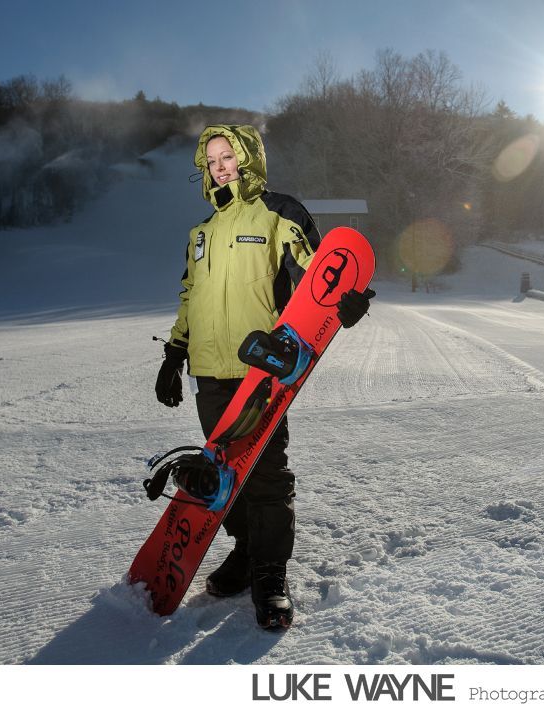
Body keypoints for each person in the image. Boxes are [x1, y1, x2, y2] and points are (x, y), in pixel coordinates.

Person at [154, 124, 374, 629]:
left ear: (248, 157)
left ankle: (271, 572)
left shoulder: (279, 213)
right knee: (225, 473)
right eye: (211, 161)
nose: (219, 166)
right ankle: (247, 552)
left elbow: (319, 274)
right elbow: (190, 299)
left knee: (267, 473)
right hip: (208, 373)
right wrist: (173, 354)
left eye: (227, 156)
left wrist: (346, 302)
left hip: (262, 371)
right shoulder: (201, 235)